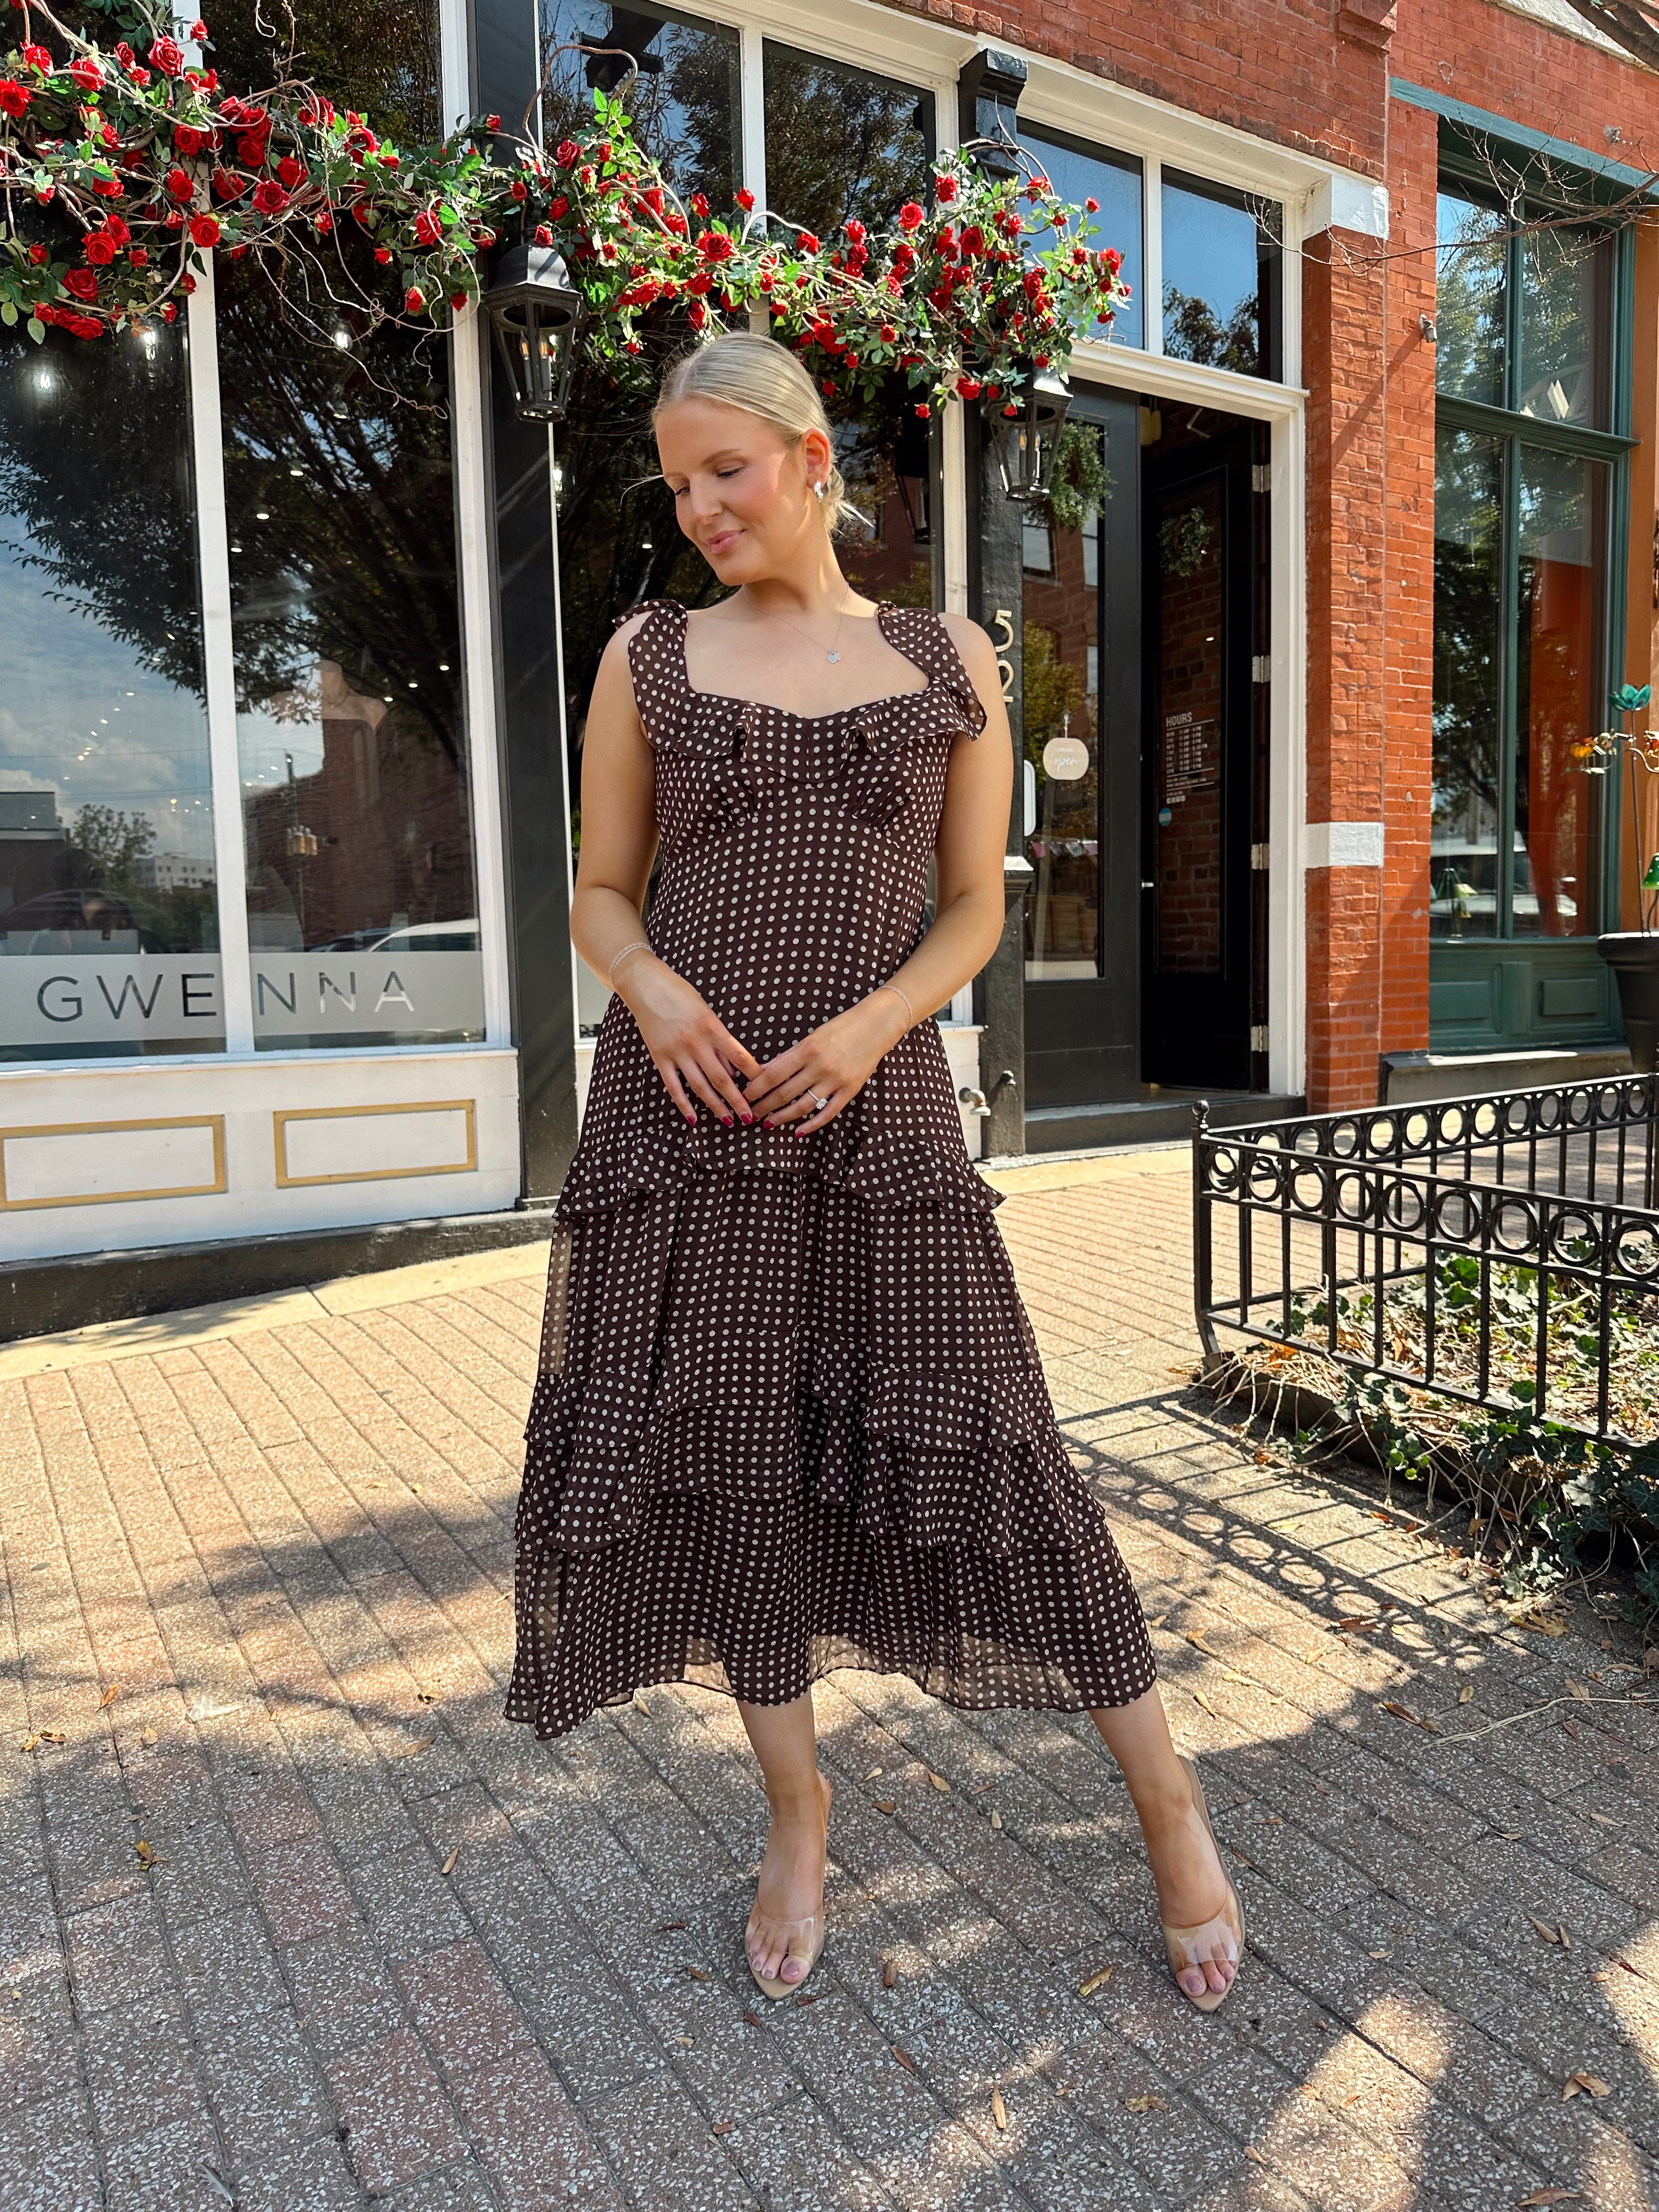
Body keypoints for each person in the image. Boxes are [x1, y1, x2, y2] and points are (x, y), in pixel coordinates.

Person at [505, 329, 1242, 2014]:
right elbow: (598, 889)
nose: (699, 505)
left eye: (727, 469)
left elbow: (977, 903)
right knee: (738, 1472)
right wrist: (656, 986)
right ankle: (795, 1810)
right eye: (678, 479)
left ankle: (1172, 1807)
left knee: (1011, 1453)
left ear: (816, 455)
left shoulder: (951, 655)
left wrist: (872, 1028)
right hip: (683, 1128)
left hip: (882, 1122)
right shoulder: (649, 655)